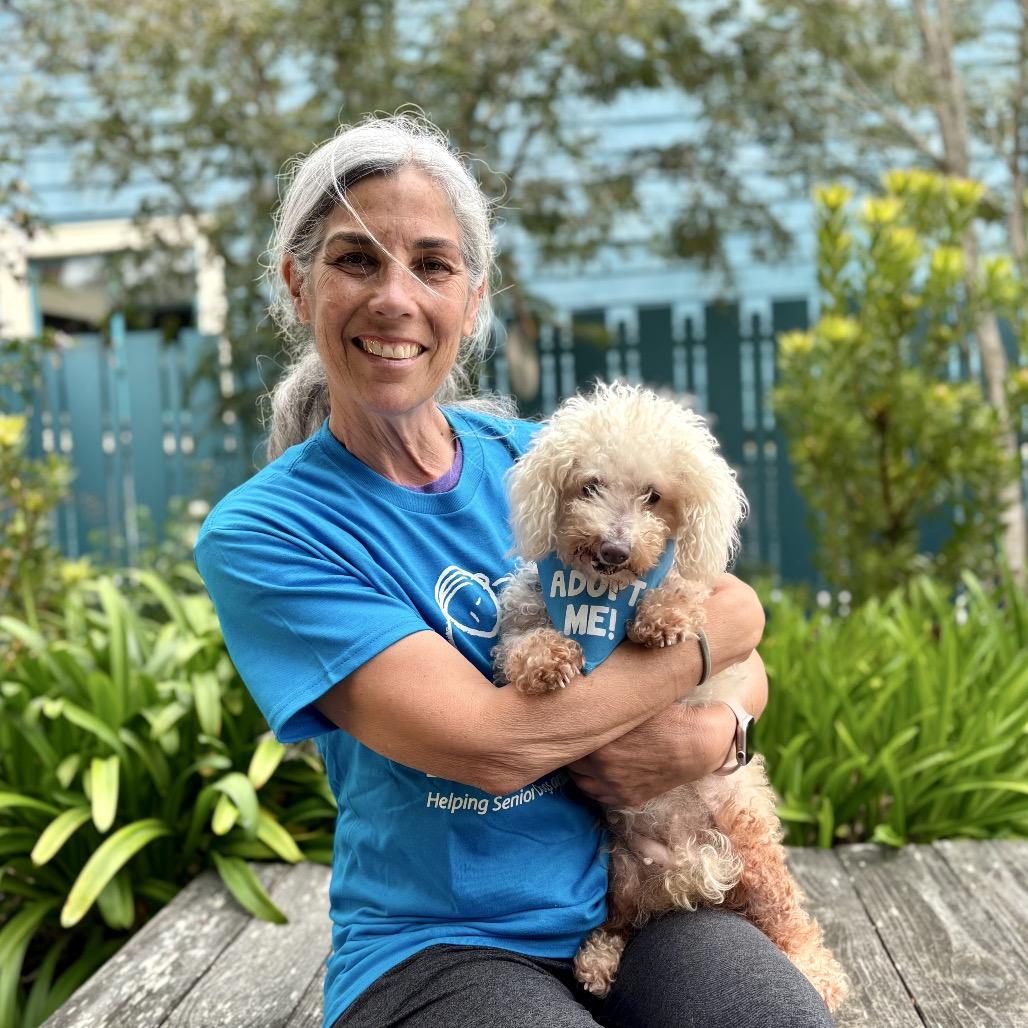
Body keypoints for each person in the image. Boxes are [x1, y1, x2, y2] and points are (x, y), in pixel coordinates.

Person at [194, 114, 834, 1028]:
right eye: (356, 261)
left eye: (432, 264)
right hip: (439, 944)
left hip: (635, 900)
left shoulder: (550, 460)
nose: (395, 298)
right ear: (298, 286)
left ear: (473, 297)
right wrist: (709, 649)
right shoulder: (268, 532)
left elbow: (737, 628)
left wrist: (712, 737)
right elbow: (498, 747)